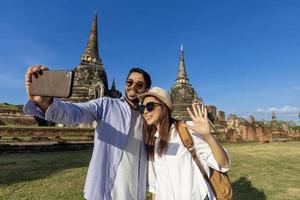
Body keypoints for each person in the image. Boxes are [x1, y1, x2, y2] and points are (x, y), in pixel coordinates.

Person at [23, 65, 152, 200]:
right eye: (129, 82)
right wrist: (46, 102)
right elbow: (74, 113)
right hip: (105, 187)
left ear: (146, 89)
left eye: (139, 84)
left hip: (133, 187)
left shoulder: (148, 117)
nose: (132, 87)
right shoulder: (106, 105)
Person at [138, 87, 231, 200]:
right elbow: (156, 185)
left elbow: (223, 164)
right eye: (142, 108)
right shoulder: (154, 141)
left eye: (150, 106)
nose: (145, 111)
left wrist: (208, 136)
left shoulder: (186, 130)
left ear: (164, 107)